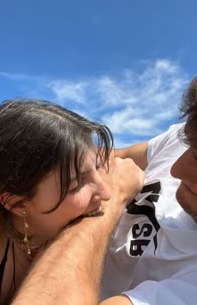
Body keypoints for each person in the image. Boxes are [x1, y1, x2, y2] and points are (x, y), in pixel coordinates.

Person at [11, 76, 197, 305]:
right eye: (189, 145)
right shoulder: (183, 137)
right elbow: (108, 158)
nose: (176, 169)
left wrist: (112, 202)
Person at [0, 99, 144, 305]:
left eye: (98, 167)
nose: (105, 192)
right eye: (76, 185)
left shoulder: (52, 226)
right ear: (16, 204)